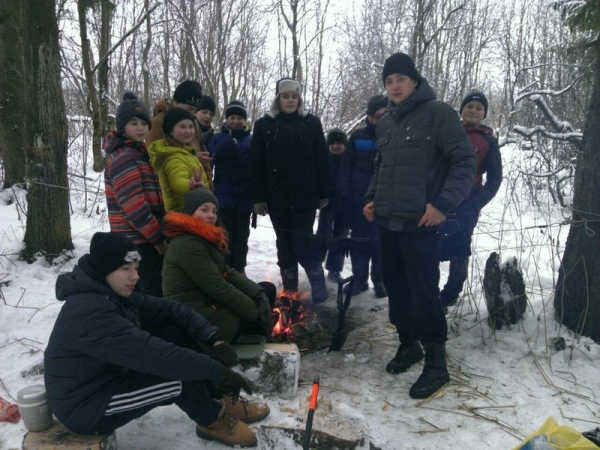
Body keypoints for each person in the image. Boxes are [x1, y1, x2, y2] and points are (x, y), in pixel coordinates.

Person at [44, 231, 269, 448]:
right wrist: (217, 371)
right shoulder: (91, 312)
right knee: (178, 378)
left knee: (173, 332)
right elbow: (158, 356)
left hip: (108, 375)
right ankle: (212, 420)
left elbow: (171, 309)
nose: (135, 276)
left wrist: (214, 339)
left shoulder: (113, 295)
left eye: (136, 268)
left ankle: (217, 397)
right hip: (88, 405)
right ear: (104, 270)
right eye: (125, 269)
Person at [363, 52, 475, 399]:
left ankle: (437, 365)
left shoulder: (438, 114)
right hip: (388, 223)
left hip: (422, 225)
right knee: (396, 290)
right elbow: (380, 168)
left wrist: (443, 205)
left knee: (424, 293)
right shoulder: (386, 122)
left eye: (400, 79)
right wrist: (371, 198)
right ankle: (409, 345)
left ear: (415, 81)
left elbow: (464, 161)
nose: (394, 86)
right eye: (388, 81)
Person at [249, 78, 329, 304]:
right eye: (286, 96)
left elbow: (321, 159)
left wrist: (324, 193)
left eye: (294, 96)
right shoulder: (264, 124)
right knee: (284, 242)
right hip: (277, 197)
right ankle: (290, 286)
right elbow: (256, 162)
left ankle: (317, 280)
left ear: (299, 99)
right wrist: (258, 197)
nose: (290, 100)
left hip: (306, 195)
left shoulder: (311, 123)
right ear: (278, 99)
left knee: (304, 241)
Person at [162, 187, 275, 343]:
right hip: (197, 317)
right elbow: (218, 287)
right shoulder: (187, 243)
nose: (211, 215)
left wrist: (258, 294)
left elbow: (227, 272)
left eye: (214, 211)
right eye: (204, 210)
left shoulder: (201, 238)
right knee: (259, 321)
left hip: (210, 304)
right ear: (190, 212)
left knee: (267, 291)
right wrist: (256, 313)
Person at [439, 90, 502, 309]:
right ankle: (427, 290)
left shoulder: (488, 141)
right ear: (462, 110)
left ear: (484, 113)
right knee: (430, 246)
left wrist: (474, 205)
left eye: (479, 108)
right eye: (469, 106)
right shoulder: (447, 132)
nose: (473, 111)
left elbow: (495, 179)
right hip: (437, 203)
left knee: (459, 250)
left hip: (466, 206)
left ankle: (450, 293)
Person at [103, 92, 167, 297]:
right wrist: (158, 240)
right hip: (138, 242)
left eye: (143, 123)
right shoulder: (124, 157)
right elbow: (134, 207)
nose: (140, 128)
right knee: (149, 294)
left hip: (144, 238)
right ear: (122, 126)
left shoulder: (138, 153)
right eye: (133, 123)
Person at [338, 95, 388, 298]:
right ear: (369, 116)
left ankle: (379, 280)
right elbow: (346, 167)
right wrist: (344, 194)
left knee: (379, 244)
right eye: (377, 115)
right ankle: (359, 279)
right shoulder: (357, 137)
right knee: (358, 242)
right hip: (357, 200)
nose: (381, 119)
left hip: (383, 201)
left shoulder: (393, 137)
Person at [209, 101, 254, 273]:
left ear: (245, 120)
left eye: (239, 118)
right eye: (232, 117)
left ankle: (240, 270)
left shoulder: (251, 140)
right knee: (224, 237)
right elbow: (211, 158)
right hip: (223, 198)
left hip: (244, 199)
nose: (235, 121)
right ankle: (225, 270)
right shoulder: (218, 137)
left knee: (242, 237)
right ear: (227, 119)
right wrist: (228, 142)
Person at [147, 80, 213, 189]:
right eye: (189, 109)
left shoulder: (192, 122)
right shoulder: (158, 123)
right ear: (175, 102)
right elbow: (156, 159)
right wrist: (192, 158)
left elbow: (199, 153)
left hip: (197, 191)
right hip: (173, 191)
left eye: (195, 110)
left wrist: (209, 190)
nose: (192, 114)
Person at [148, 107, 210, 212]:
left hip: (191, 209)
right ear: (171, 131)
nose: (188, 131)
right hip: (181, 213)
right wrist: (190, 184)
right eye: (182, 127)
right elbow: (177, 183)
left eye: (191, 127)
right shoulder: (173, 156)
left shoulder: (186, 152)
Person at [316, 128, 349, 284]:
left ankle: (334, 269)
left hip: (344, 204)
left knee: (341, 236)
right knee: (323, 233)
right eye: (333, 143)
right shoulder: (323, 160)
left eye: (339, 143)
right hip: (327, 203)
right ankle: (316, 265)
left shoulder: (349, 160)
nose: (336, 146)